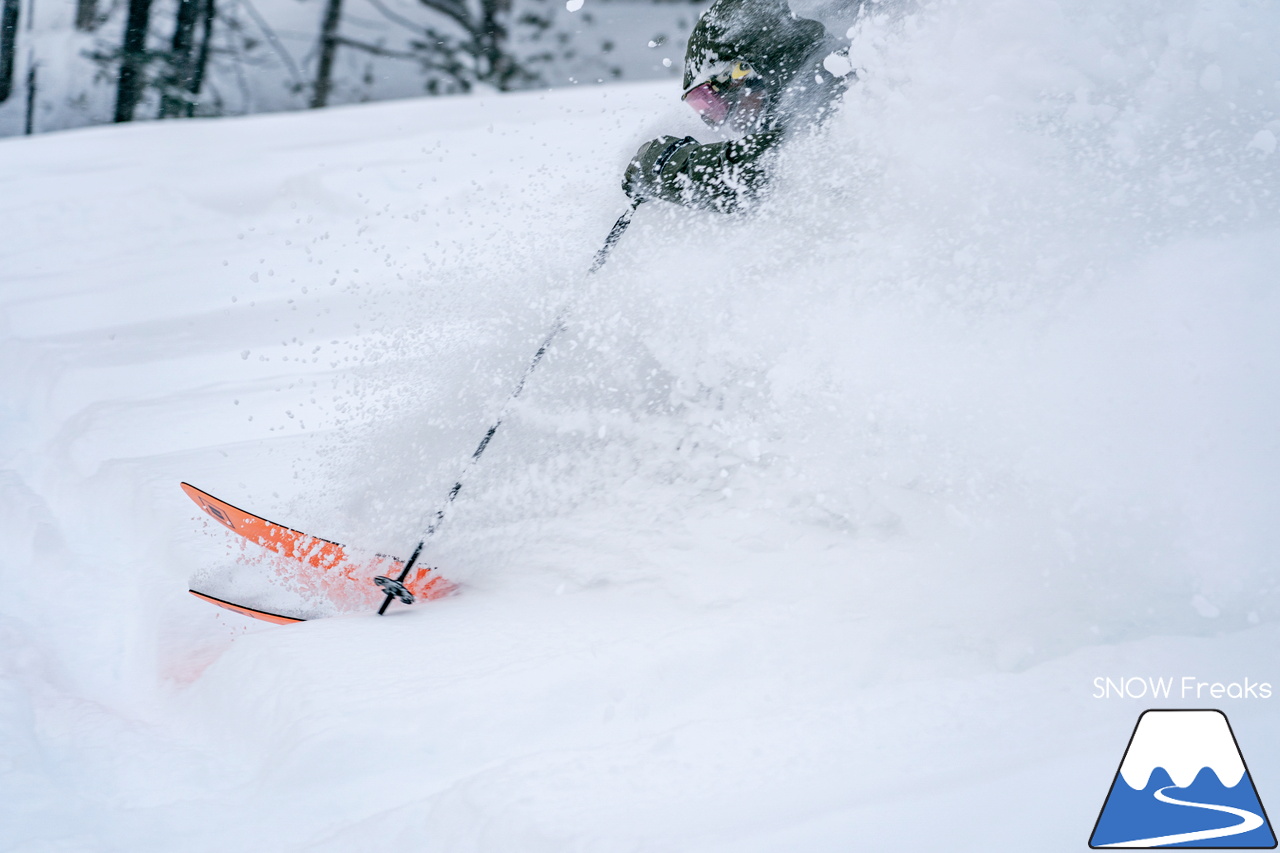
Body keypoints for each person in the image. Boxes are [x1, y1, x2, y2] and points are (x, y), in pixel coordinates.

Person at [622, 0, 847, 213]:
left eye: (715, 102)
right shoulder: (812, 97)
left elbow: (757, 170)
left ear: (749, 73)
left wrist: (675, 166)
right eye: (704, 108)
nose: (723, 121)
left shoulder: (837, 93)